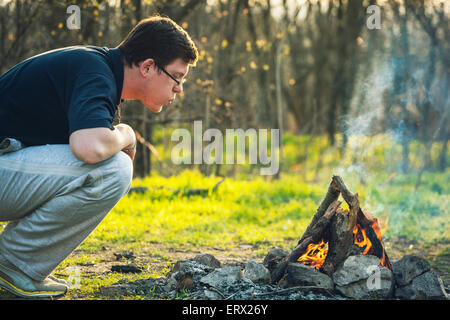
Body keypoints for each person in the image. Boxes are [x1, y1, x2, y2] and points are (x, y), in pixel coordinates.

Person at [0, 15, 198, 298]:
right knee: (112, 168)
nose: (179, 88)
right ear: (148, 66)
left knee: (108, 161)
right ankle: (11, 265)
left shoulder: (97, 68)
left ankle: (13, 262)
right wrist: (127, 134)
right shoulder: (95, 71)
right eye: (177, 77)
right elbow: (89, 147)